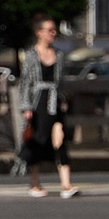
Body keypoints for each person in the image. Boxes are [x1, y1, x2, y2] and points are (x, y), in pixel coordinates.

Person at [22, 16, 77, 199]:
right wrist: (26, 107)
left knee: (60, 139)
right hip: (39, 102)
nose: (53, 33)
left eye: (54, 30)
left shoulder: (59, 55)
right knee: (39, 140)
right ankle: (35, 183)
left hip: (55, 101)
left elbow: (61, 82)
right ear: (39, 33)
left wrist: (64, 100)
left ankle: (66, 185)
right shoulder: (30, 55)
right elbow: (25, 83)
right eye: (49, 30)